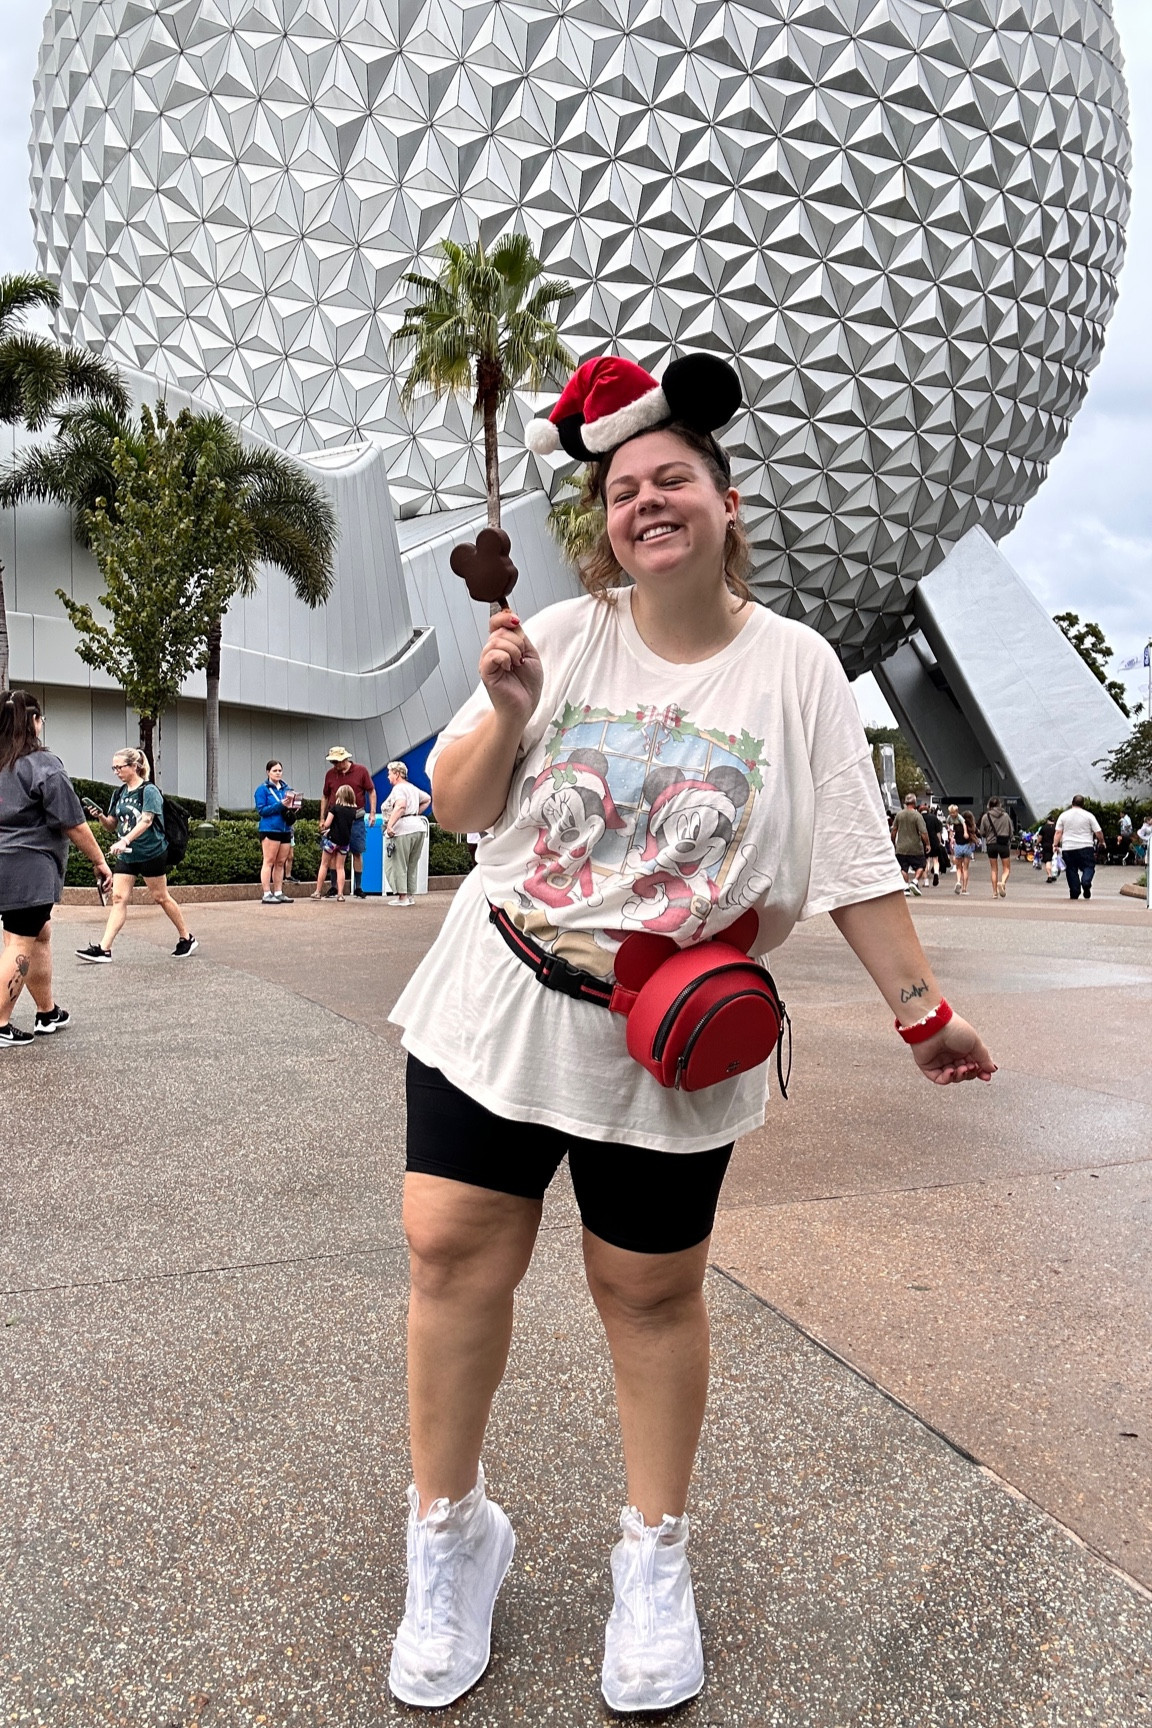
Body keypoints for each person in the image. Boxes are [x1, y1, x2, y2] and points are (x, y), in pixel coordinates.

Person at [384, 352, 996, 1714]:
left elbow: (854, 858)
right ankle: (451, 1531)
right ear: (602, 523)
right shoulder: (559, 632)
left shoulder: (797, 667)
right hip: (500, 989)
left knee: (648, 1291)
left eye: (671, 481)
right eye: (621, 491)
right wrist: (509, 711)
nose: (645, 503)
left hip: (668, 1028)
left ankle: (652, 1557)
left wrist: (922, 1011)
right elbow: (463, 808)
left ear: (727, 503)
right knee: (450, 1251)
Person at [0, 690, 113, 1047]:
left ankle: (46, 1011)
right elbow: (73, 823)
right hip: (29, 868)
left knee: (38, 933)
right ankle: (0, 1022)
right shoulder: (43, 765)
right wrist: (100, 861)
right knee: (20, 941)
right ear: (33, 722)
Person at [75, 747, 198, 962]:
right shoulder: (119, 793)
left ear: (134, 766)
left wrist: (125, 840)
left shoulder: (149, 791)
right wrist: (101, 816)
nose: (116, 772)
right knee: (119, 898)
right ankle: (104, 949)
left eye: (119, 767)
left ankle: (186, 937)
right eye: (114, 768)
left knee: (160, 896)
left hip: (151, 852)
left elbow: (147, 820)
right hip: (127, 855)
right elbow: (112, 825)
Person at [320, 746, 377, 897]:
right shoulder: (330, 774)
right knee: (333, 852)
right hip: (335, 818)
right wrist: (322, 818)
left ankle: (358, 886)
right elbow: (325, 796)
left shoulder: (361, 771)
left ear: (345, 759)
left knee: (357, 851)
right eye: (333, 762)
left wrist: (372, 813)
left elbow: (371, 791)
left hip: (356, 818)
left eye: (337, 762)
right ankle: (334, 886)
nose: (335, 765)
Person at [383, 761, 432, 906]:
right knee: (412, 863)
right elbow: (427, 799)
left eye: (390, 773)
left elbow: (401, 806)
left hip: (402, 829)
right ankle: (409, 895)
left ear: (397, 774)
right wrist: (415, 813)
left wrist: (390, 825)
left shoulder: (398, 789)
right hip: (418, 828)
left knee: (398, 863)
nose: (388, 777)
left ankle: (402, 897)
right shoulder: (412, 788)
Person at [254, 759, 298, 904]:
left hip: (285, 828)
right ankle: (267, 893)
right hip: (270, 828)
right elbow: (262, 810)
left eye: (280, 770)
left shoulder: (287, 789)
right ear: (268, 772)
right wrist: (280, 805)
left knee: (280, 862)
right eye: (275, 771)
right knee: (269, 861)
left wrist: (294, 806)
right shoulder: (262, 790)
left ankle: (278, 891)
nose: (278, 773)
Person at [311, 783, 358, 900]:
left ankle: (317, 892)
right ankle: (340, 894)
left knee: (324, 864)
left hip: (332, 840)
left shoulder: (335, 808)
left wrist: (323, 826)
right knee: (340, 867)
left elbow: (327, 824)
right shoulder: (353, 811)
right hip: (344, 842)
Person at [1053, 795, 1103, 901]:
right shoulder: (1089, 816)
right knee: (1088, 866)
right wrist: (1102, 842)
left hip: (1068, 847)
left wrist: (1055, 845)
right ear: (1083, 804)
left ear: (1072, 803)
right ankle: (1086, 882)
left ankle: (1075, 891)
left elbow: (1058, 832)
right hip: (1086, 846)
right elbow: (1098, 832)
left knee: (1071, 869)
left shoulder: (1064, 815)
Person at [890, 792, 928, 896]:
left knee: (903, 868)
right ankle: (915, 881)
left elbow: (894, 830)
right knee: (921, 865)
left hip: (901, 847)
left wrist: (893, 842)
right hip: (915, 847)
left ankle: (906, 887)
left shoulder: (899, 815)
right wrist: (927, 844)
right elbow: (923, 832)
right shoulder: (917, 816)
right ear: (915, 803)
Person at [978, 795, 1013, 898]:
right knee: (1006, 868)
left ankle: (994, 893)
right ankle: (1002, 882)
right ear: (999, 805)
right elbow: (1011, 831)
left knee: (994, 869)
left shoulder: (986, 816)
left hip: (991, 844)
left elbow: (982, 832)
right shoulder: (1006, 816)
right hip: (1003, 844)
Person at [922, 801, 944, 885]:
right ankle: (936, 873)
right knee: (935, 859)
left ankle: (926, 881)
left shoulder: (919, 818)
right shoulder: (934, 818)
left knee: (926, 861)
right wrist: (939, 841)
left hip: (924, 841)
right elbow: (938, 832)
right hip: (934, 841)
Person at [1038, 815, 1058, 882]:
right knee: (1055, 861)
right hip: (1055, 846)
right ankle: (1054, 875)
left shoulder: (1044, 827)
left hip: (1046, 846)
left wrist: (1037, 843)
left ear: (1047, 820)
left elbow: (1040, 837)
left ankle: (1049, 875)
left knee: (1048, 861)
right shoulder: (1056, 828)